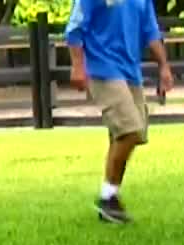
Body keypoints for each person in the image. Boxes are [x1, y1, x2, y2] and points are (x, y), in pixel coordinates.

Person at [64, 0, 174, 224]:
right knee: (129, 131)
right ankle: (107, 198)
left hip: (130, 72)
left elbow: (150, 31)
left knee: (134, 134)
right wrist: (77, 65)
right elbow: (75, 28)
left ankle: (110, 201)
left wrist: (164, 66)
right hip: (102, 69)